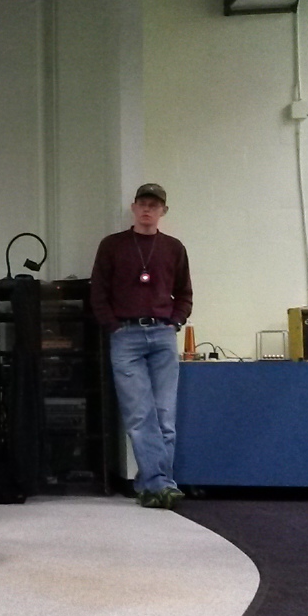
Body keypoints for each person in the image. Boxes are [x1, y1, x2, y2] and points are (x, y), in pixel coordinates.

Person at [90, 183, 193, 509]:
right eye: (143, 204)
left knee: (165, 416)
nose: (148, 209)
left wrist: (175, 322)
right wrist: (113, 326)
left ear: (163, 211)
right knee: (139, 415)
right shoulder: (113, 245)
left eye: (154, 205)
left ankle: (152, 486)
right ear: (134, 208)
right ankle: (162, 485)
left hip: (162, 333)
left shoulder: (173, 248)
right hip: (126, 335)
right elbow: (98, 291)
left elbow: (185, 293)